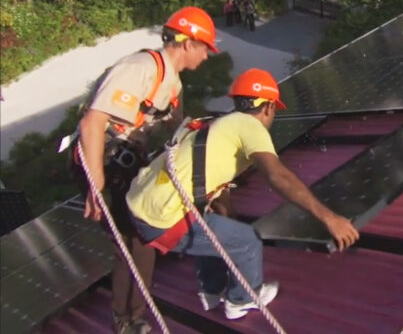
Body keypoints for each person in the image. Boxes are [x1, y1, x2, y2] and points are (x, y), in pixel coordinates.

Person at [125, 68, 360, 320]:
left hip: (140, 204)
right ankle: (242, 300)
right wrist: (329, 218)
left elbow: (212, 183)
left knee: (219, 229)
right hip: (162, 218)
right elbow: (278, 176)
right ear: (268, 107)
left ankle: (211, 291)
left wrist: (230, 218)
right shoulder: (250, 126)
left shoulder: (218, 124)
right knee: (247, 241)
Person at [69, 6, 218, 333]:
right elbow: (93, 123)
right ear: (188, 43)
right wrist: (96, 185)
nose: (207, 56)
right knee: (133, 241)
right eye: (205, 48)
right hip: (103, 161)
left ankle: (131, 316)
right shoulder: (140, 68)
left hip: (127, 163)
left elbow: (177, 135)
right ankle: (127, 320)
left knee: (143, 239)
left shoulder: (173, 84)